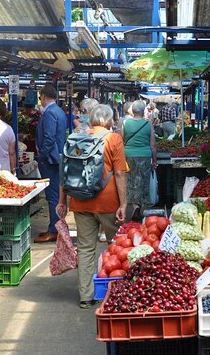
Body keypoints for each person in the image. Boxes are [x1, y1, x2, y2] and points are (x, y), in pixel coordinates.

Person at [57, 105, 127, 308]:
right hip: (108, 202)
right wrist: (123, 203)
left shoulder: (75, 139)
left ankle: (86, 296)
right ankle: (117, 292)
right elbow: (120, 174)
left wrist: (62, 201)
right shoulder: (113, 139)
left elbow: (65, 173)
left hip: (80, 201)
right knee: (117, 247)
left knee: (86, 249)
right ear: (109, 121)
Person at [34, 83, 68, 243]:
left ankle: (54, 230)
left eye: (40, 98)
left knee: (53, 196)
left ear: (44, 97)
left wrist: (41, 156)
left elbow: (49, 137)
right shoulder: (59, 111)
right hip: (58, 157)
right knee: (56, 195)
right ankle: (55, 227)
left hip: (51, 160)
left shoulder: (49, 113)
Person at [119, 100, 157, 217]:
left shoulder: (125, 123)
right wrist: (155, 160)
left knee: (130, 180)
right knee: (142, 181)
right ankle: (140, 205)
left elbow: (121, 141)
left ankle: (133, 204)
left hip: (128, 155)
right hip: (145, 156)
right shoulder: (148, 125)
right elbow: (153, 145)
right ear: (143, 111)